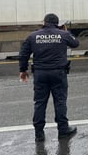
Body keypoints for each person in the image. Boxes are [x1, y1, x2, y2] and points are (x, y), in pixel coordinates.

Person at [19, 13, 80, 142]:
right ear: (58, 24)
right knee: (60, 101)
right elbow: (75, 43)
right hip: (58, 73)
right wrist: (66, 32)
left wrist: (22, 70)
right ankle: (63, 130)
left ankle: (39, 133)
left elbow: (23, 54)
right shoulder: (63, 34)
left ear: (44, 22)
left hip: (40, 74)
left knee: (40, 102)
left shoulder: (33, 36)